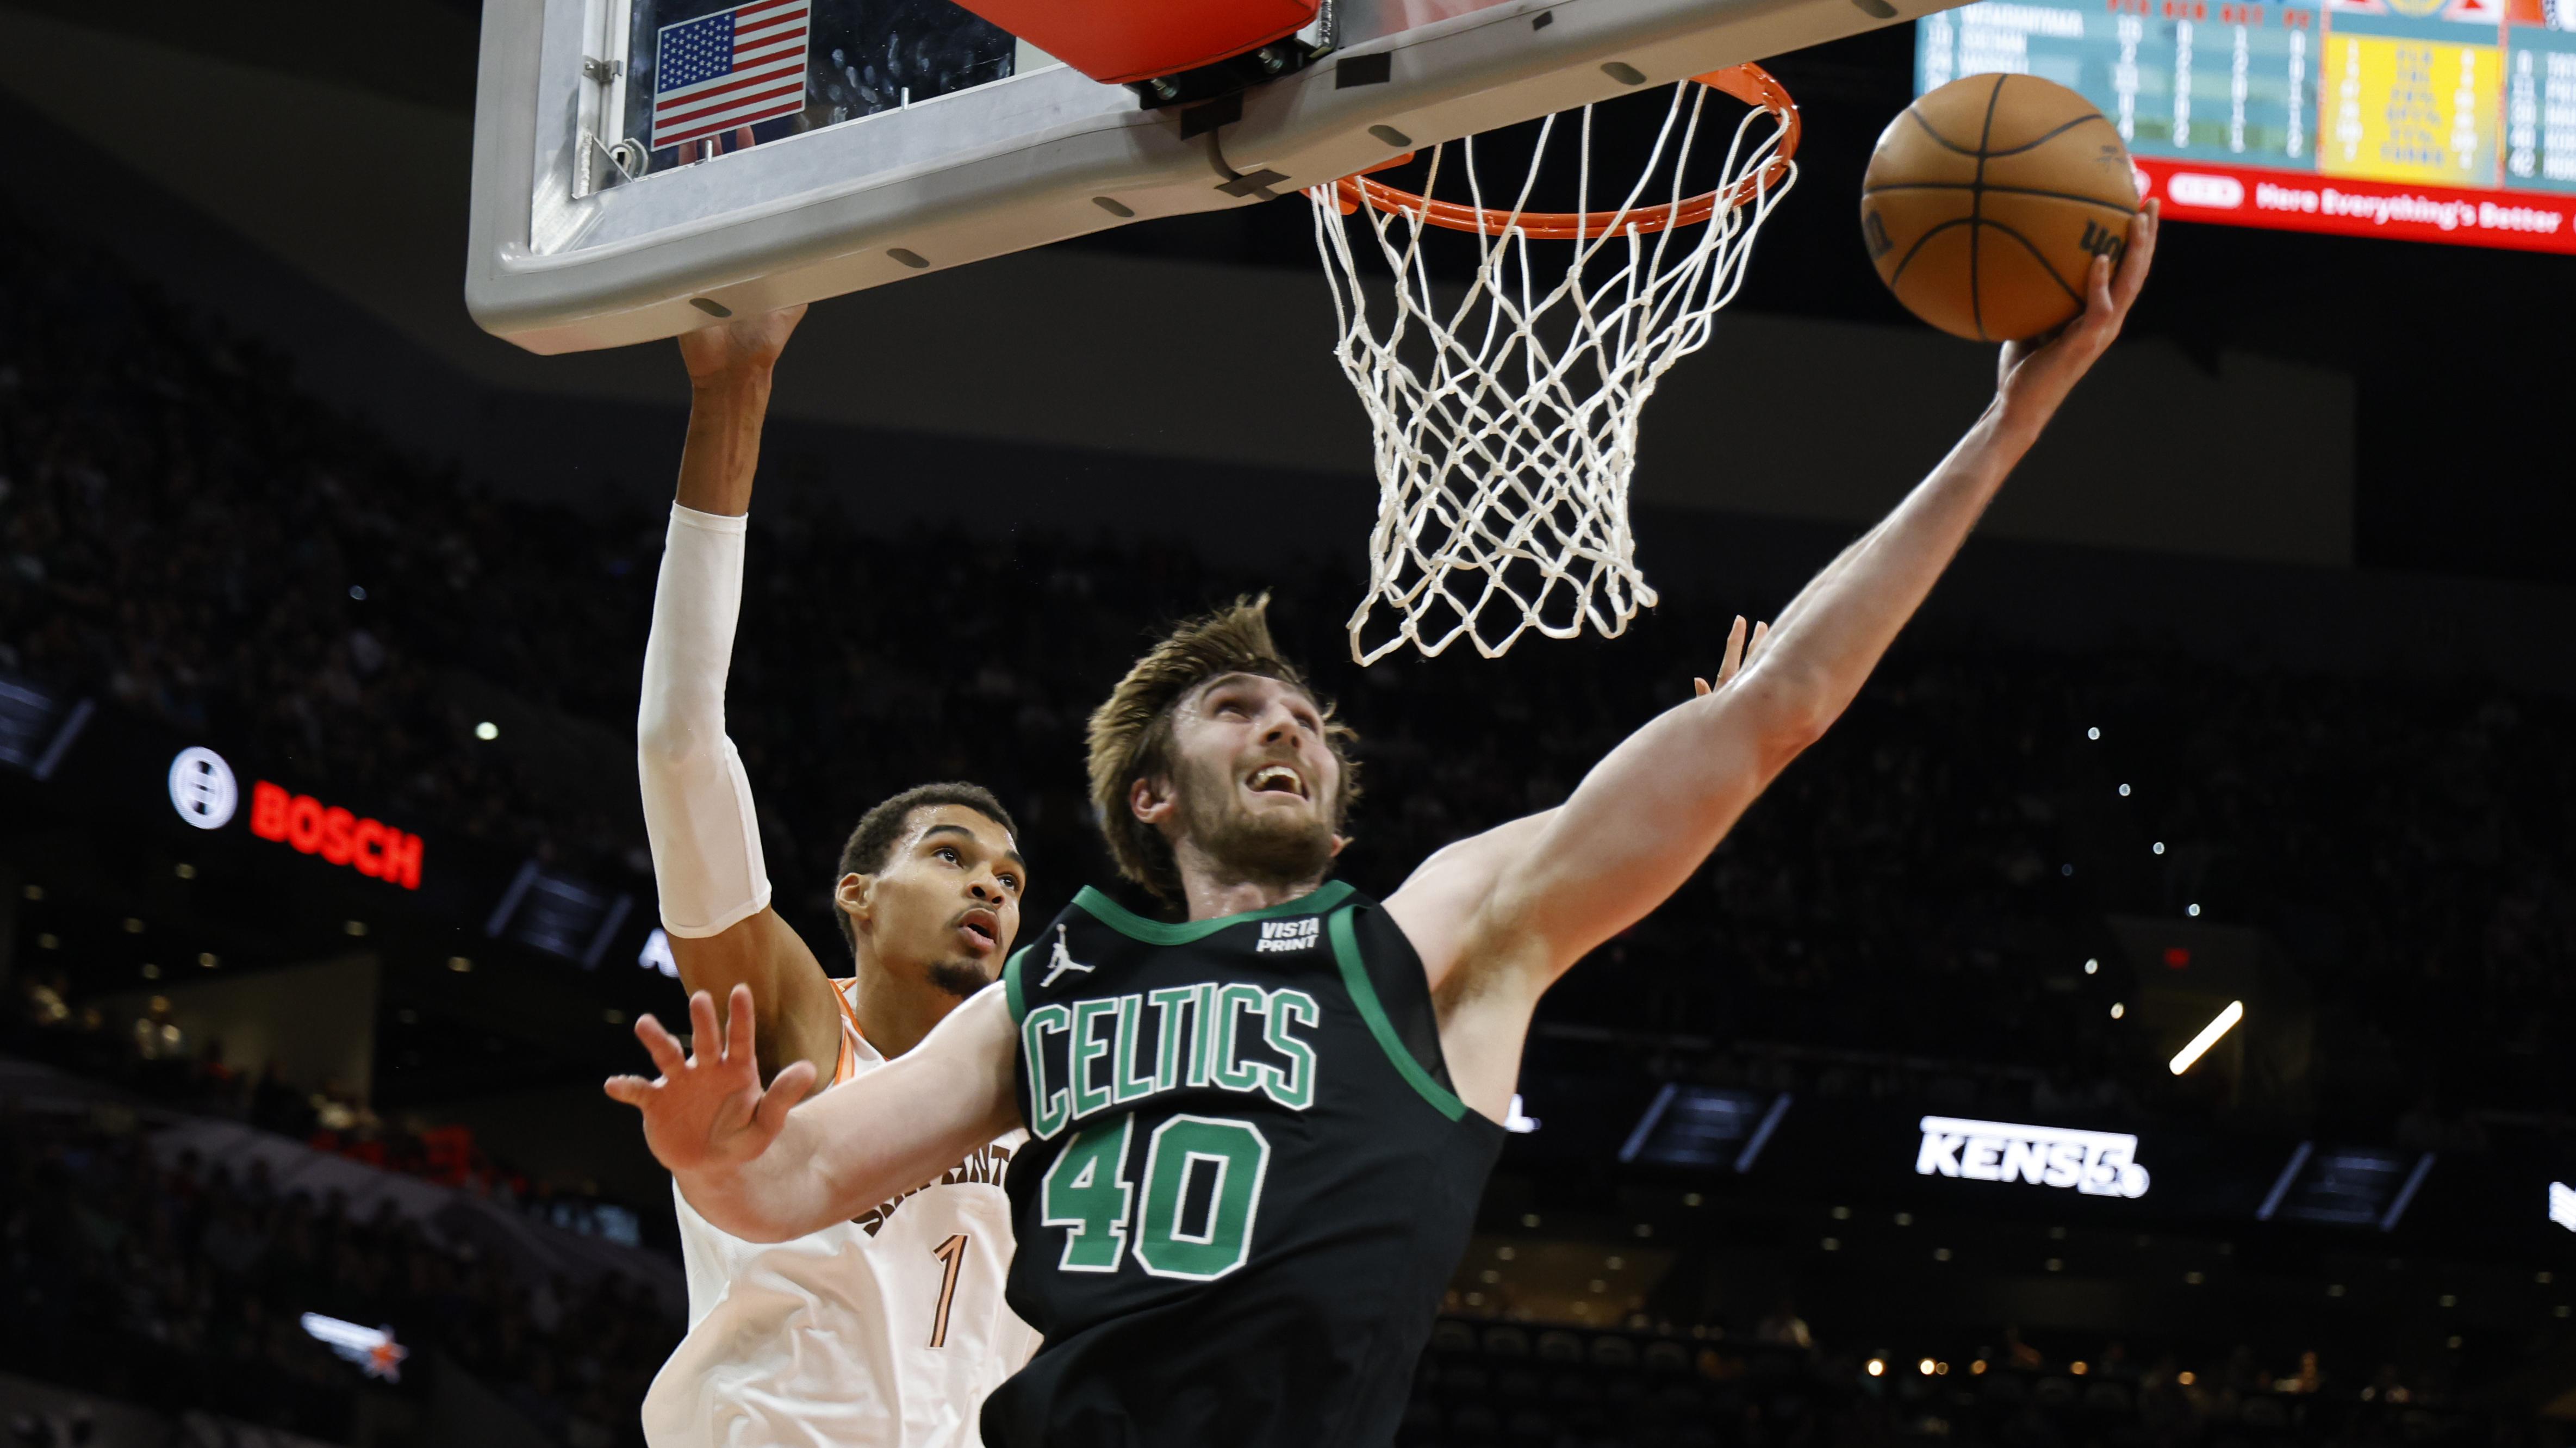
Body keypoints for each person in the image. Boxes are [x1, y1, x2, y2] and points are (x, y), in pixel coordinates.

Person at [609, 208, 2162, 1447]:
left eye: (1306, 719)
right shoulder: (1059, 982)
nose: (1289, 723)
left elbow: (1781, 709)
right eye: (1239, 713)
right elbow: (792, 1190)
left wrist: (2012, 420)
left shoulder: (1433, 936)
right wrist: (706, 1157)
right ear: (1148, 796)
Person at [617, 304, 1040, 1448]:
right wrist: (731, 388)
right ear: (856, 892)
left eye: (1008, 876)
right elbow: (678, 747)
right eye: (951, 857)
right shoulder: (800, 1033)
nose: (992, 891)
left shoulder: (1040, 1074)